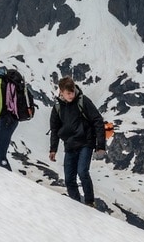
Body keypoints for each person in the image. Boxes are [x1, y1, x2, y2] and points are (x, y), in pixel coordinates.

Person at [48, 76, 106, 206]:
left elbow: (98, 120)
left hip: (86, 142)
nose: (71, 95)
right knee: (69, 179)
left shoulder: (83, 101)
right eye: (68, 93)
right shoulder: (57, 107)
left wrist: (100, 145)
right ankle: (76, 206)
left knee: (82, 172)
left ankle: (90, 202)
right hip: (70, 145)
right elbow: (54, 129)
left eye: (72, 92)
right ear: (61, 92)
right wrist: (53, 149)